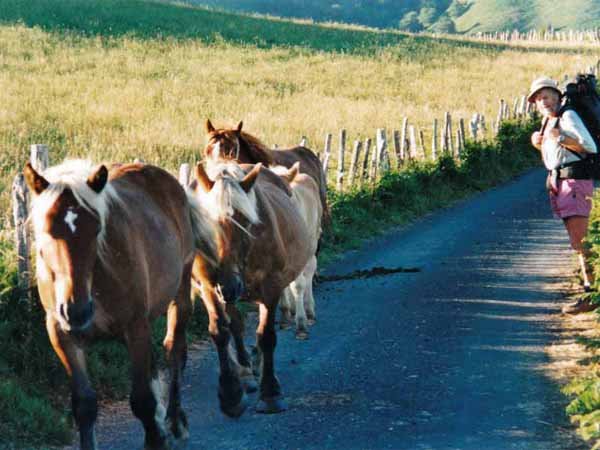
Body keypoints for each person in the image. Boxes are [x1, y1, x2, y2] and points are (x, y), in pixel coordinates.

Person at [528, 76, 598, 314]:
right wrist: (539, 142)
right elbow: (554, 153)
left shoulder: (567, 117)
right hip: (561, 183)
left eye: (546, 96)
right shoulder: (549, 120)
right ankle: (589, 290)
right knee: (577, 240)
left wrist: (561, 137)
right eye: (538, 99)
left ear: (557, 96)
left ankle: (592, 295)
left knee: (581, 240)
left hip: (575, 181)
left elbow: (589, 147)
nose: (543, 102)